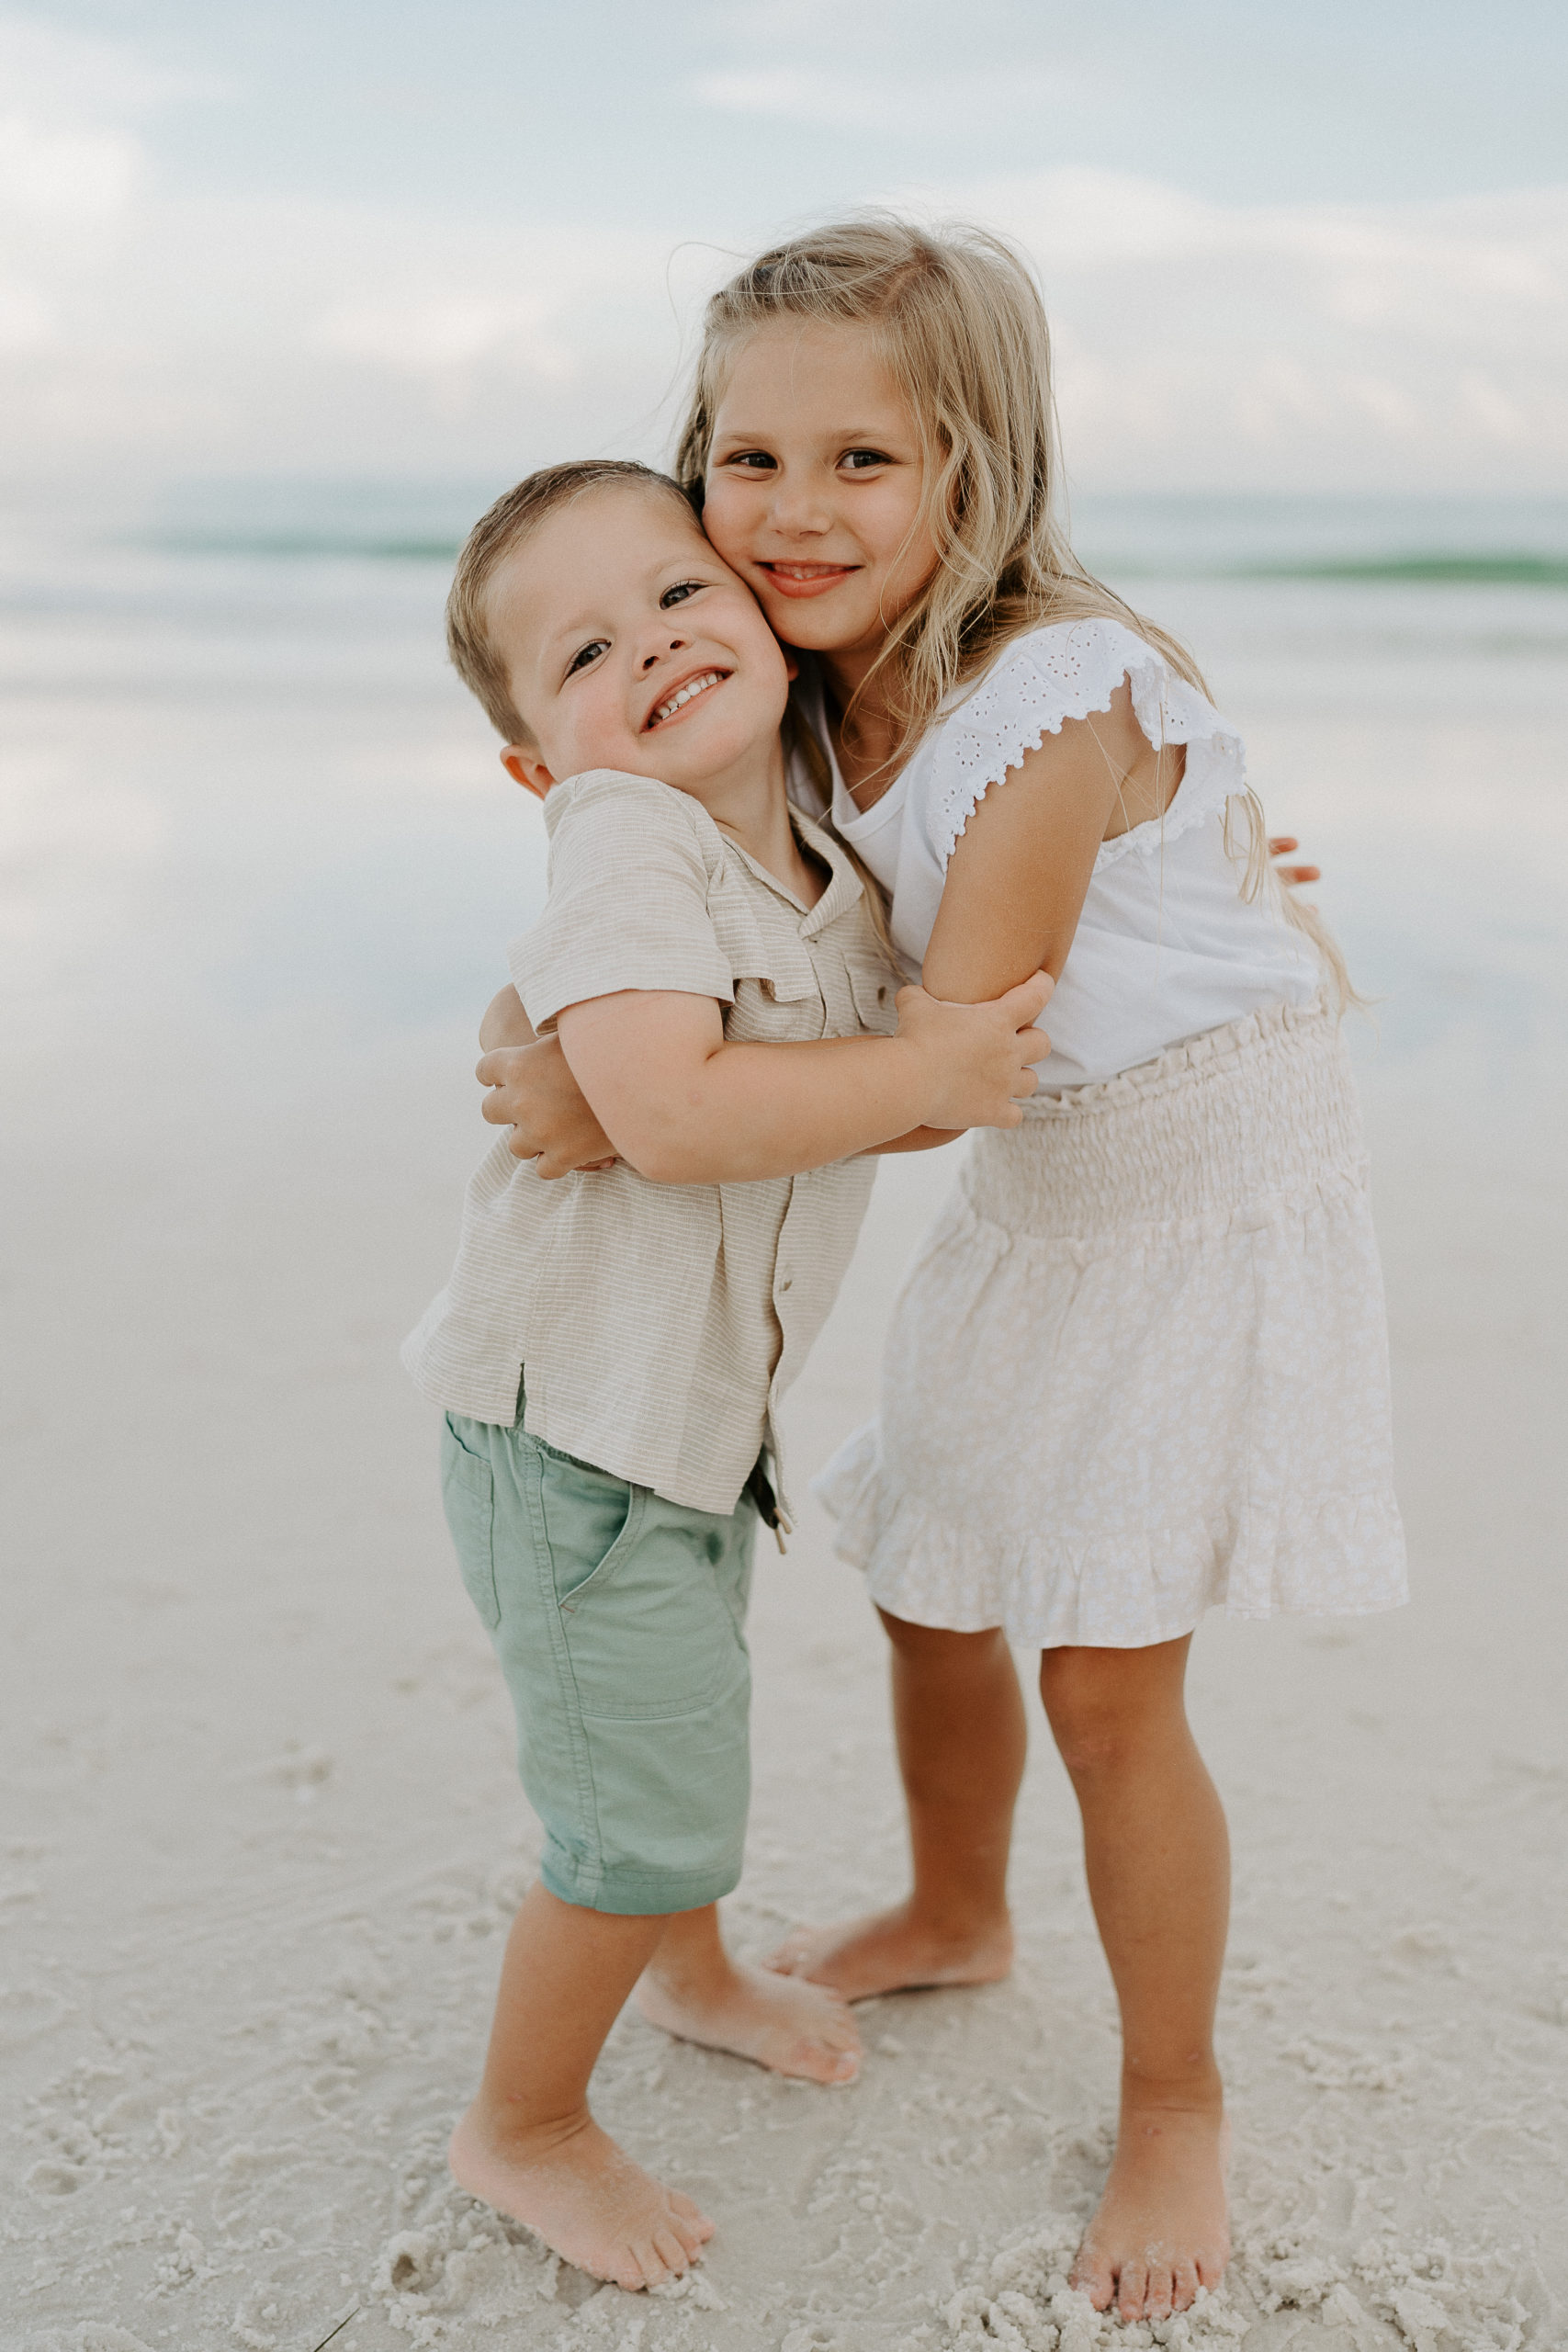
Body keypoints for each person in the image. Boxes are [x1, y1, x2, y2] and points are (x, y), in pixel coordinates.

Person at [480, 220, 1406, 2326]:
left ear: (971, 469)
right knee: (931, 1564)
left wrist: (634, 1106)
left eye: (858, 462)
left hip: (1190, 1182)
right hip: (1049, 1180)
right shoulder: (807, 690)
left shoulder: (1047, 697)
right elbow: (708, 911)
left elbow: (936, 1069)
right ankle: (956, 1902)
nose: (792, 511)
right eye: (745, 459)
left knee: (1102, 1667)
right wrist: (566, 1041)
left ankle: (1174, 2092)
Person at [402, 455, 1052, 2293]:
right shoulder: (624, 843)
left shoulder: (831, 867)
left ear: (762, 612)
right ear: (542, 763)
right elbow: (678, 1114)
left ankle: (687, 1974)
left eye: (680, 593)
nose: (658, 643)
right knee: (633, 1813)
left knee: (682, 1734)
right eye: (586, 648)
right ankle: (521, 2121)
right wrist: (930, 1078)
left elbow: (842, 1098)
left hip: (684, 1429)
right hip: (571, 1433)